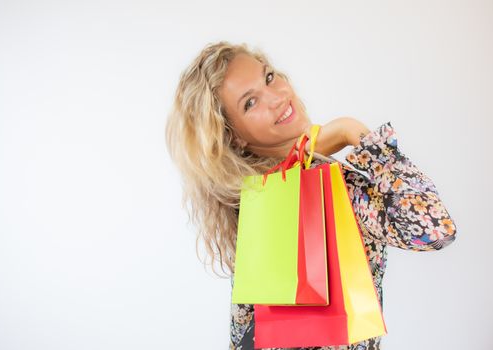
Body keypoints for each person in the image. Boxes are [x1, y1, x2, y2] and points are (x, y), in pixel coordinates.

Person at [165, 41, 457, 350]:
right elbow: (435, 230)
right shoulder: (331, 188)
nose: (277, 98)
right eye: (250, 103)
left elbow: (246, 335)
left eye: (268, 77)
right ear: (233, 136)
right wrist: (351, 130)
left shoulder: (253, 202)